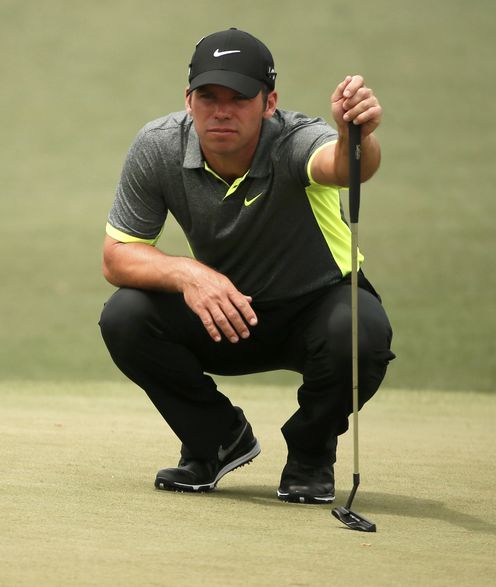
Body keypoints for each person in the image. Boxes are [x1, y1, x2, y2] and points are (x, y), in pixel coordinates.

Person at [98, 27, 395, 504]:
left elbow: (344, 166)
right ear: (189, 100)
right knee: (125, 316)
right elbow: (118, 256)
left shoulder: (297, 138)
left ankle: (311, 454)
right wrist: (191, 274)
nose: (221, 110)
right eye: (208, 95)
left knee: (360, 332)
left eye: (239, 97)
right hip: (230, 312)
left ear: (269, 101)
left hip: (317, 309)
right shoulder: (158, 146)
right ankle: (215, 440)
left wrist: (353, 136)